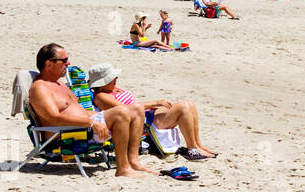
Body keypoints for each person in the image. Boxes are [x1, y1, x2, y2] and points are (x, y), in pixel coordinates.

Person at [28, 43, 149, 177]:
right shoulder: (40, 88)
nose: (68, 63)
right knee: (121, 112)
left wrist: (98, 117)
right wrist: (92, 123)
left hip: (84, 127)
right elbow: (54, 118)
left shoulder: (59, 84)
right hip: (68, 135)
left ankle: (133, 161)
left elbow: (81, 111)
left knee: (137, 109)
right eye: (64, 60)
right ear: (49, 64)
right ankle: (123, 168)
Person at [88, 63, 217, 160]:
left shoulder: (112, 89)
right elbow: (125, 109)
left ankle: (198, 145)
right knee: (184, 107)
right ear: (102, 83)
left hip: (145, 114)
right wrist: (154, 103)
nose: (116, 78)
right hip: (142, 123)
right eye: (111, 78)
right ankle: (192, 148)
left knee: (190, 105)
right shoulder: (101, 96)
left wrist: (151, 106)